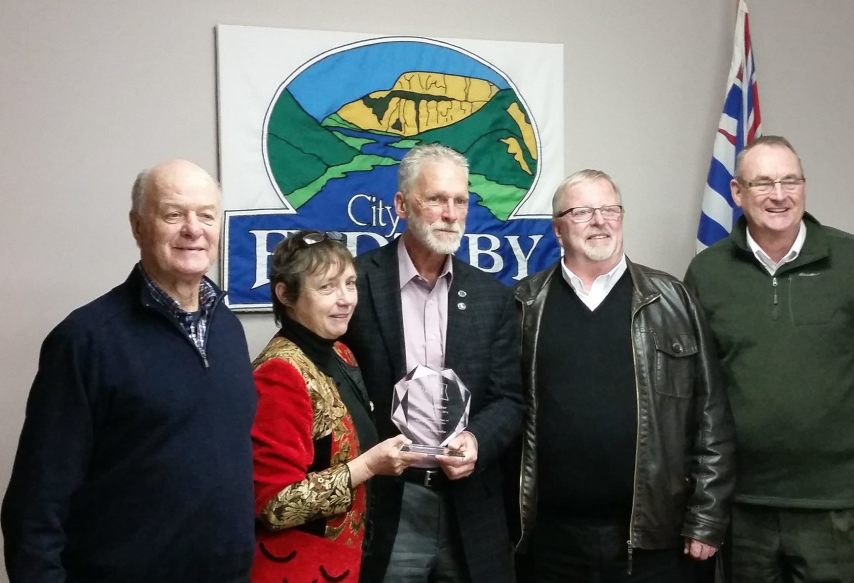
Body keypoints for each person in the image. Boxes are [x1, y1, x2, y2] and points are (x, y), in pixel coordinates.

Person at [1, 159, 257, 582]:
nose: (193, 229)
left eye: (206, 215)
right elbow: (35, 507)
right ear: (138, 226)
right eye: (173, 214)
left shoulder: (227, 328)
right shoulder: (85, 340)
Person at [684, 135, 854, 583]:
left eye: (790, 181)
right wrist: (702, 500)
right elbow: (694, 393)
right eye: (764, 182)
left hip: (836, 506)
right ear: (737, 192)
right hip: (742, 505)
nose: (779, 195)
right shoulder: (708, 272)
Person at [513, 169, 736, 582]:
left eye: (610, 209)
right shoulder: (525, 304)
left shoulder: (674, 300)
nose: (600, 220)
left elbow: (712, 416)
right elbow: (507, 415)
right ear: (558, 228)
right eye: (583, 212)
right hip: (553, 541)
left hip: (655, 540)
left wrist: (706, 517)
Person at [342, 144, 524, 583]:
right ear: (402, 205)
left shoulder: (492, 298)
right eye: (436, 199)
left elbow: (510, 400)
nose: (450, 213)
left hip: (469, 503)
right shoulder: (354, 285)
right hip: (387, 502)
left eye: (460, 200)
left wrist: (477, 441)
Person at [250, 230, 424, 583]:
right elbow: (274, 505)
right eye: (327, 288)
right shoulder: (278, 373)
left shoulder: (340, 352)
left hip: (346, 561)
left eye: (349, 283)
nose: (345, 299)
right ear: (286, 295)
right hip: (297, 568)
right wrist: (369, 464)